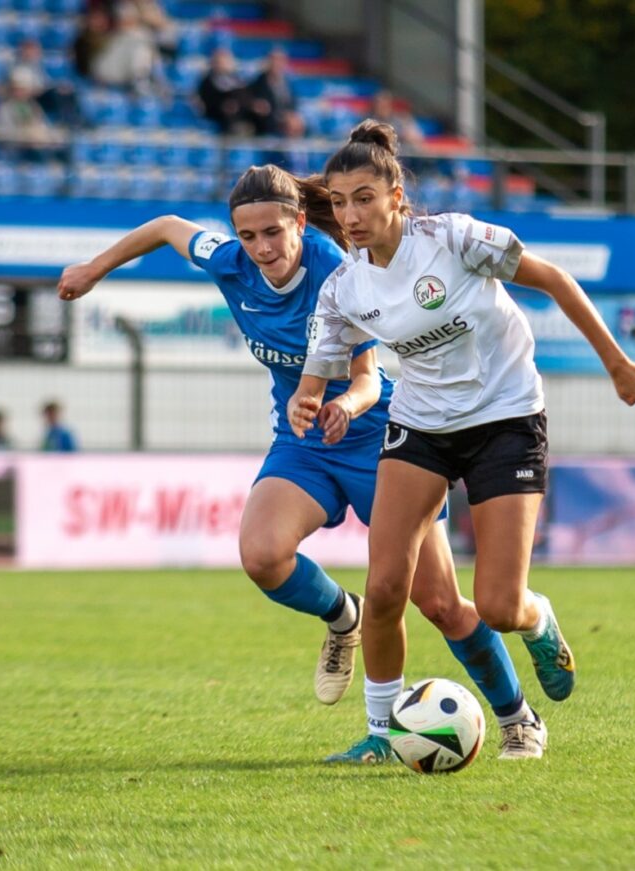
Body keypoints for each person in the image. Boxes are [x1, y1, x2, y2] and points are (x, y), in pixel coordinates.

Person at [58, 164, 551, 760]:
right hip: (303, 441)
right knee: (262, 555)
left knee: (441, 603)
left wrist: (342, 401)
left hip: (381, 439)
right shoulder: (230, 263)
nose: (262, 249)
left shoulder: (339, 271)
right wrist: (93, 269)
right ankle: (346, 622)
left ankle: (516, 717)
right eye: (249, 236)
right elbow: (166, 226)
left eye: (273, 232)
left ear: (298, 223)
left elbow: (370, 378)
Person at [290, 121, 635, 762]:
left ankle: (537, 619)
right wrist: (309, 399)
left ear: (396, 198)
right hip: (421, 427)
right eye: (339, 201)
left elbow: (553, 279)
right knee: (385, 588)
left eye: (363, 198)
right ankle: (383, 736)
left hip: (506, 418)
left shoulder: (453, 238)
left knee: (496, 605)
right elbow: (320, 369)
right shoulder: (343, 288)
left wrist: (617, 364)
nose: (349, 214)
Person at [246, 47, 295, 136]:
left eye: (280, 61)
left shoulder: (288, 83)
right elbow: (254, 105)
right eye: (273, 60)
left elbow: (292, 104)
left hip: (287, 121)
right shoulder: (258, 83)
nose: (276, 64)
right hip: (267, 123)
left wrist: (290, 115)